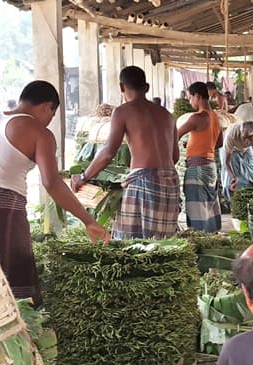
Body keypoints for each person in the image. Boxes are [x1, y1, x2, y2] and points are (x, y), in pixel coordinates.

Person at [0, 81, 108, 304]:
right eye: (52, 115)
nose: (50, 120)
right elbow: (51, 182)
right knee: (10, 283)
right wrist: (88, 221)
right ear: (47, 107)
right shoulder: (40, 133)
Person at [73, 66, 181, 239]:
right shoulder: (167, 115)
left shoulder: (122, 111)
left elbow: (108, 152)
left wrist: (83, 177)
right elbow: (175, 157)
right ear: (146, 87)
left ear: (122, 87)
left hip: (143, 182)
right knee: (162, 243)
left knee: (132, 243)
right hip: (171, 181)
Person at [178, 81, 224, 232]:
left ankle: (201, 238)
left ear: (197, 96)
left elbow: (174, 135)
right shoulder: (215, 117)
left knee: (197, 206)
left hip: (197, 168)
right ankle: (212, 236)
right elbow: (219, 143)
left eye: (190, 97)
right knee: (209, 205)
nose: (190, 101)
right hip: (210, 167)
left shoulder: (197, 117)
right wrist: (195, 144)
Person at [224, 103, 253, 198]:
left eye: (250, 138)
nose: (247, 141)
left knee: (252, 170)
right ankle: (232, 200)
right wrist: (233, 177)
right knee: (232, 178)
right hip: (233, 149)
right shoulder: (231, 135)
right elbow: (227, 161)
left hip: (246, 149)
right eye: (244, 137)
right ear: (241, 133)